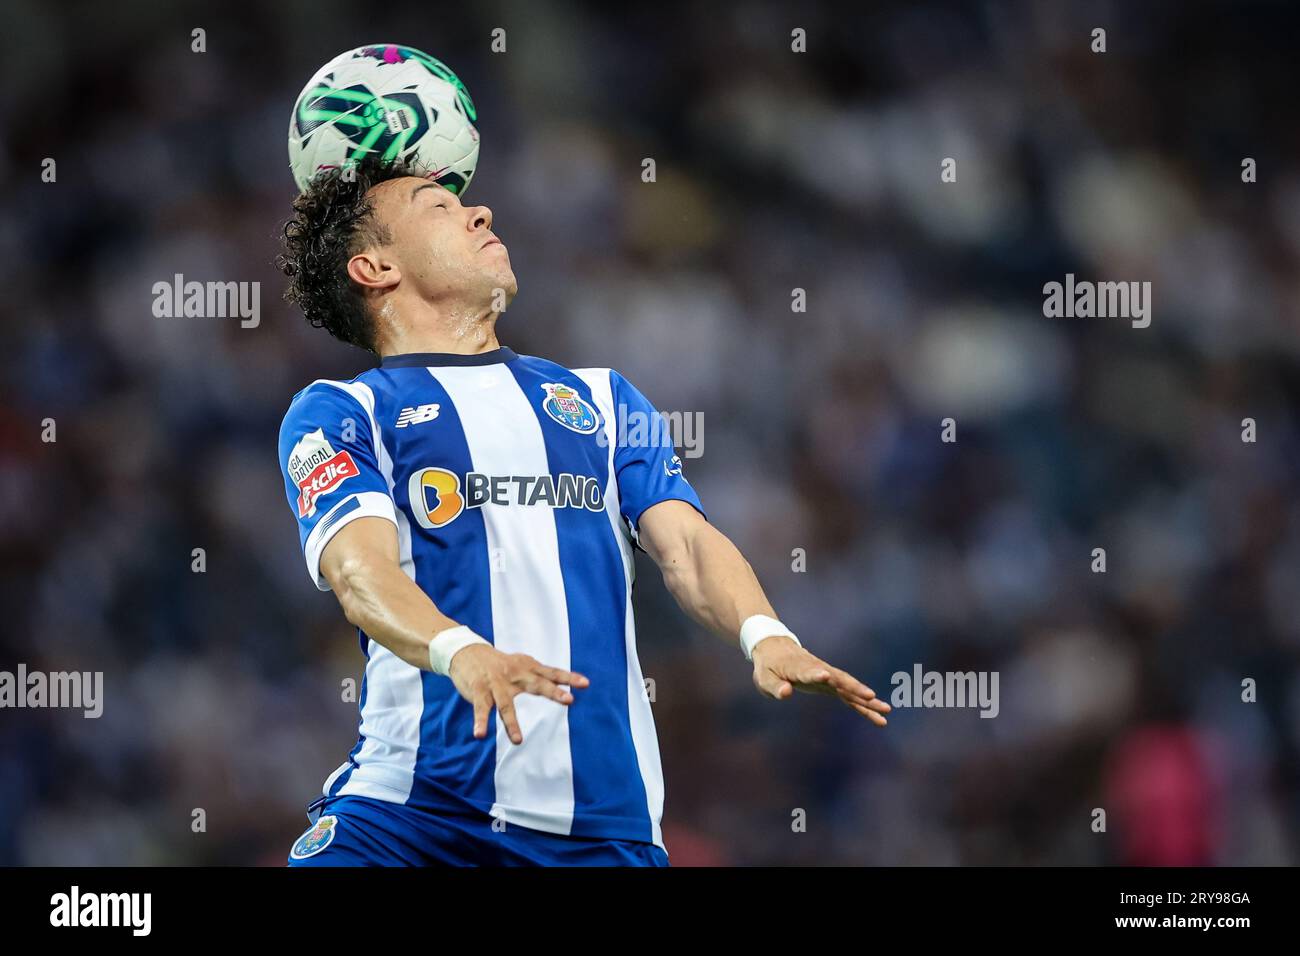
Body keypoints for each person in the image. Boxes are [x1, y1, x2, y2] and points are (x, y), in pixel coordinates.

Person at [275, 157, 890, 866]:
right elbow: (359, 572)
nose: (480, 213)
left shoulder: (600, 401)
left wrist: (764, 634)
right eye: (437, 208)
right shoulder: (345, 412)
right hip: (410, 817)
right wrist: (462, 651)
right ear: (374, 268)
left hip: (600, 837)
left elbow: (684, 545)